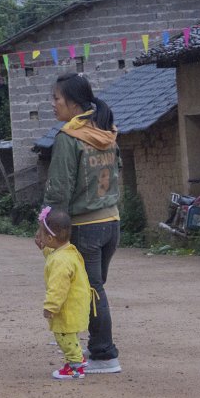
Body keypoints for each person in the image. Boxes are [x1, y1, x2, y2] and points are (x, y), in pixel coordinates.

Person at [39, 72, 123, 374]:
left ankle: (104, 355)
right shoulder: (107, 131)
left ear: (73, 103)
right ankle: (93, 345)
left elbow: (58, 188)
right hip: (111, 221)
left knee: (90, 291)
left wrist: (45, 227)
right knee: (91, 288)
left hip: (85, 227)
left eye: (56, 99)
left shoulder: (69, 138)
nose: (53, 104)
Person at [37, 206, 92, 380]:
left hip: (66, 307)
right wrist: (43, 247)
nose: (39, 236)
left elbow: (58, 287)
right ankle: (75, 360)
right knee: (70, 335)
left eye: (42, 234)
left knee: (63, 336)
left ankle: (76, 366)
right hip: (76, 305)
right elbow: (52, 254)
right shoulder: (68, 250)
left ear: (50, 237)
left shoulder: (60, 261)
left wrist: (50, 307)